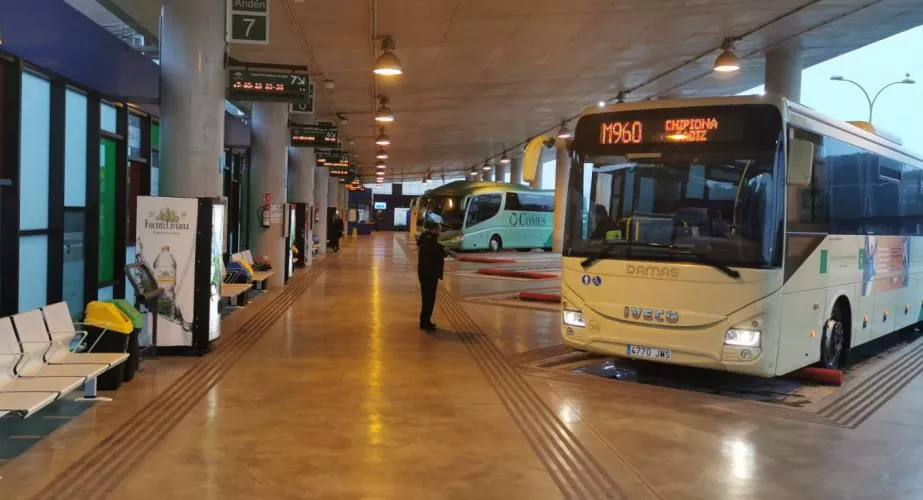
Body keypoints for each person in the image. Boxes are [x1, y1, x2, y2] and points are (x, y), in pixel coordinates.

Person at [417, 221, 455, 331]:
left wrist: (444, 249)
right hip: (429, 274)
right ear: (434, 229)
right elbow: (437, 254)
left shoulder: (426, 238)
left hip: (426, 273)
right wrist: (445, 252)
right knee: (429, 298)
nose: (440, 231)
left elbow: (437, 247)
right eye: (439, 229)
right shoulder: (430, 240)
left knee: (427, 298)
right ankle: (425, 322)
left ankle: (425, 320)